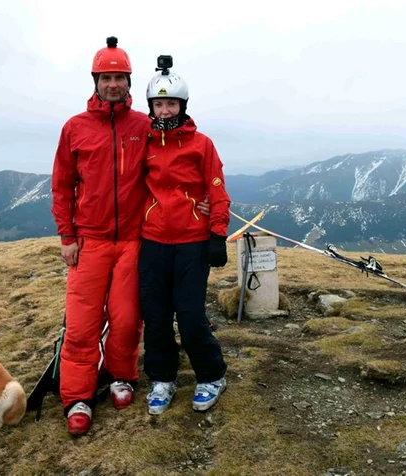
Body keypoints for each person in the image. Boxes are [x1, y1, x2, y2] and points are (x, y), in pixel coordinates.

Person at [51, 36, 149, 436]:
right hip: (89, 241)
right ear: (95, 80)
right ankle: (77, 396)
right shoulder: (75, 127)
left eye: (119, 77)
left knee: (126, 320)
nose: (113, 84)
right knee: (81, 325)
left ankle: (122, 375)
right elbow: (62, 186)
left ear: (129, 81)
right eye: (106, 77)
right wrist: (67, 236)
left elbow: (172, 166)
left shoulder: (144, 125)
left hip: (133, 241)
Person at [138, 60, 230, 415]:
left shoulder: (201, 144)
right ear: (151, 107)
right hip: (153, 240)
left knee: (190, 314)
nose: (165, 110)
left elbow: (217, 188)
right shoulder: (143, 143)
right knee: (156, 315)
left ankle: (211, 374)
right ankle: (163, 377)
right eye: (159, 104)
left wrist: (217, 233)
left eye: (172, 104)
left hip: (192, 240)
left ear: (183, 106)